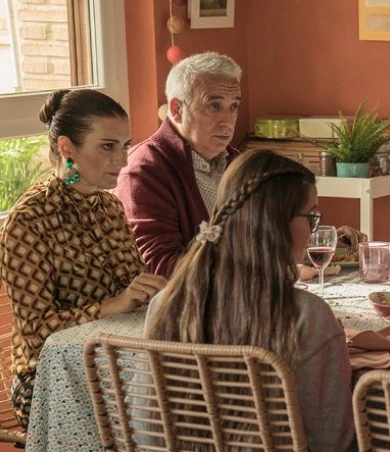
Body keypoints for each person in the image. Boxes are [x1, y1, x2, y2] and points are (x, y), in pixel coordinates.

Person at [144, 149, 354, 451]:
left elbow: (150, 431)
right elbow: (332, 441)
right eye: (311, 216)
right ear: (276, 222)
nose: (313, 228)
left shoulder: (166, 304)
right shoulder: (307, 316)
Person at [0, 89, 166, 427]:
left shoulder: (110, 206)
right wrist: (111, 305)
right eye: (107, 147)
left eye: (124, 145)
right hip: (49, 378)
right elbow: (36, 333)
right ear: (67, 148)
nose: (122, 160)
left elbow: (132, 288)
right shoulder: (27, 222)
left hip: (119, 358)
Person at [115, 52, 243, 278]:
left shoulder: (237, 162)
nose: (228, 120)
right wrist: (251, 270)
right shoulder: (144, 171)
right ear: (176, 109)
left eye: (233, 106)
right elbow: (161, 266)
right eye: (214, 106)